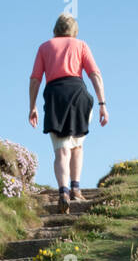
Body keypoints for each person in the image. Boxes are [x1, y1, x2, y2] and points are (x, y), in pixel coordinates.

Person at [28, 14, 108, 212]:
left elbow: (35, 79)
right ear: (74, 31)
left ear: (55, 29)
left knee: (61, 149)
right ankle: (76, 189)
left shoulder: (44, 47)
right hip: (78, 94)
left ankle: (62, 191)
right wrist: (102, 103)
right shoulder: (81, 45)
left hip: (55, 96)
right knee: (77, 146)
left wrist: (32, 106)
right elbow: (95, 75)